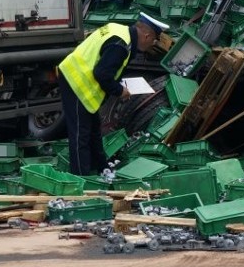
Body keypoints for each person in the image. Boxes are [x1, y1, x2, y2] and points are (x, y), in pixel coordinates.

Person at [57, 12, 169, 175]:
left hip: (81, 80)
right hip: (75, 81)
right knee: (80, 134)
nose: (153, 44)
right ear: (146, 35)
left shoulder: (120, 30)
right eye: (154, 39)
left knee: (94, 129)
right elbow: (101, 73)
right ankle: (80, 177)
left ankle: (101, 167)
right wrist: (119, 90)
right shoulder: (121, 45)